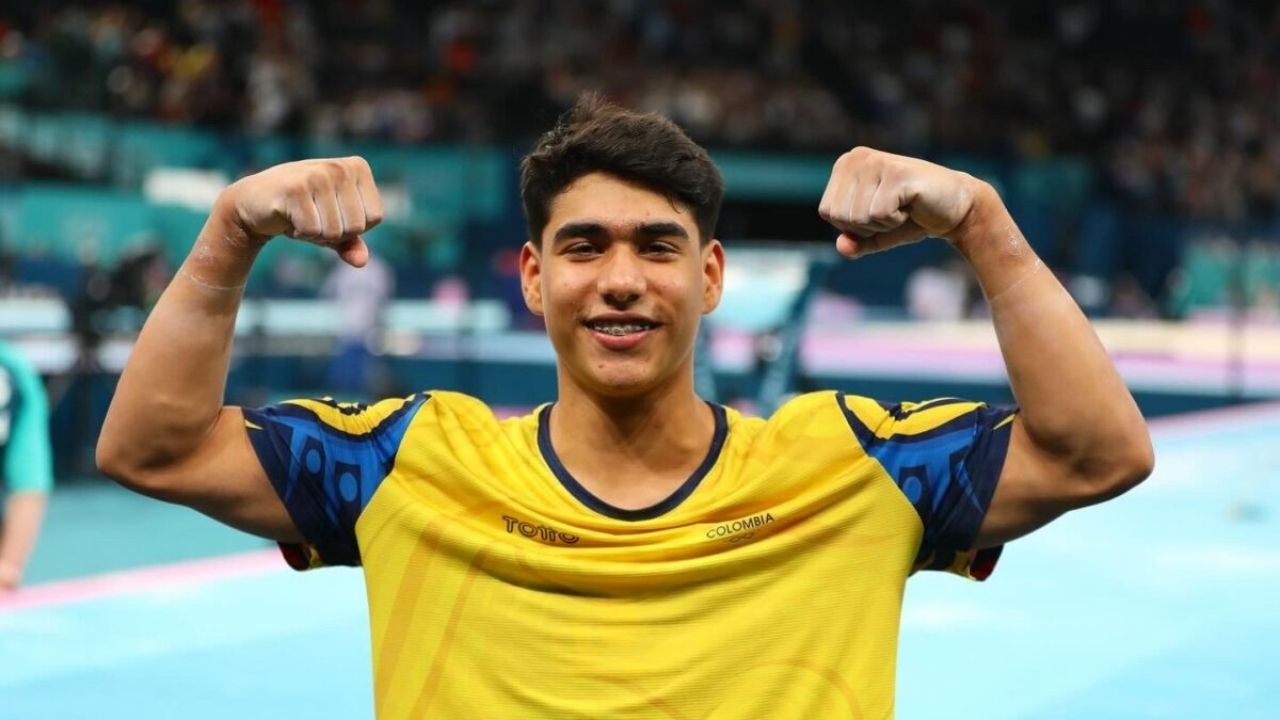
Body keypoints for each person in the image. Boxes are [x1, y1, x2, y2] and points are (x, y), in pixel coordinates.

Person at [97, 95, 1154, 718]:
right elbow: (156, 449)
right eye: (582, 246)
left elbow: (1094, 454)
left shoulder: (851, 461)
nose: (617, 279)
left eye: (655, 247)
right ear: (530, 275)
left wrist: (982, 222)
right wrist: (230, 232)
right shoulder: (406, 459)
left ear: (709, 276)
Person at [0, 340, 54, 592]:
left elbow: (30, 484)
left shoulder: (13, 370)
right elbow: (30, 485)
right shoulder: (13, 368)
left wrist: (8, 568)